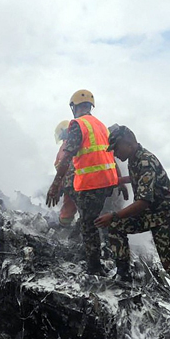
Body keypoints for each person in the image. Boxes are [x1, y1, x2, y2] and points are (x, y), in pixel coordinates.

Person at [95, 125, 170, 319]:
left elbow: (143, 202)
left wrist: (115, 215)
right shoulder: (134, 158)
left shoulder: (146, 161)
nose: (115, 153)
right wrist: (121, 180)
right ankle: (124, 275)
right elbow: (138, 179)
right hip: (151, 214)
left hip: (165, 216)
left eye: (116, 148)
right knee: (116, 228)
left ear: (128, 144)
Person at [46, 89, 126, 275]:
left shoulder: (77, 125)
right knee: (97, 220)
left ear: (74, 107)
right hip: (107, 183)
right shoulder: (101, 126)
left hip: (91, 184)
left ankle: (94, 269)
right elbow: (111, 155)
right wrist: (119, 180)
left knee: (89, 227)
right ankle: (119, 264)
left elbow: (67, 158)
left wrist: (55, 185)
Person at [53, 120, 78, 227]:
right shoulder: (77, 142)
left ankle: (64, 230)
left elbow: (64, 165)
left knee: (66, 215)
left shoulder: (66, 146)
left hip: (73, 183)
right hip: (83, 181)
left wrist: (58, 186)